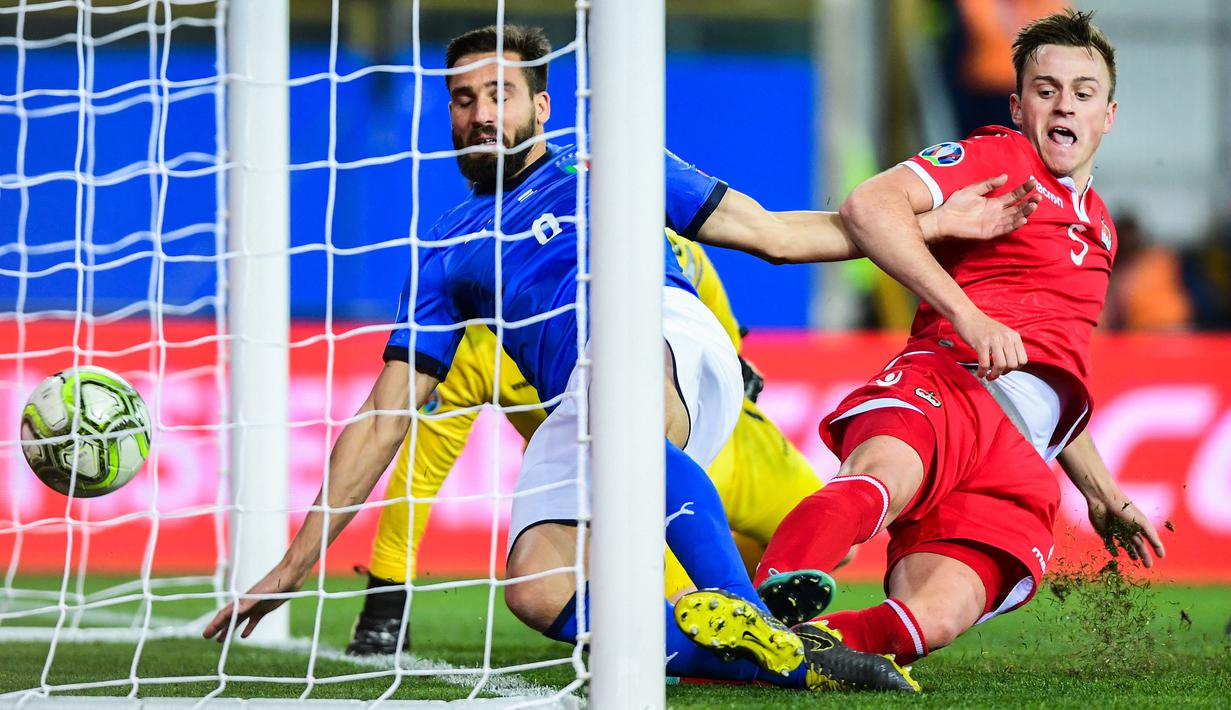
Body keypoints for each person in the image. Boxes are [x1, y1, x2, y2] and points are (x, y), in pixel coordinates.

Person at [202, 23, 1038, 689]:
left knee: (624, 399)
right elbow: (385, 415)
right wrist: (294, 563)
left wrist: (932, 222)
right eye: (463, 99)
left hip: (664, 339)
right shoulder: (445, 252)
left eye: (499, 94)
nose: (481, 114)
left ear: (540, 105)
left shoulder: (614, 164)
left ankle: (747, 618)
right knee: (537, 586)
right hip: (584, 401)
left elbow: (775, 235)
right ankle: (763, 660)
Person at [675, 9, 1166, 691]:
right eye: (1046, 90)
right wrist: (968, 316)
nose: (1063, 105)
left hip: (1018, 455)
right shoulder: (1000, 158)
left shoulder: (1101, 229)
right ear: (1016, 106)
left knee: (935, 616)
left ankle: (781, 651)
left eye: (1082, 93)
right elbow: (868, 206)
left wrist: (1102, 493)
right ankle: (760, 607)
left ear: (1106, 116)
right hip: (950, 385)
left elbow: (1051, 374)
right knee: (881, 479)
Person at [346, 230, 839, 656]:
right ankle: (735, 617)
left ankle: (751, 596)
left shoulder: (663, 246)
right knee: (667, 613)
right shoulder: (477, 344)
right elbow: (421, 470)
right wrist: (386, 595)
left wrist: (733, 353)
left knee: (828, 538)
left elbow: (707, 302)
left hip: (733, 444)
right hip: (626, 492)